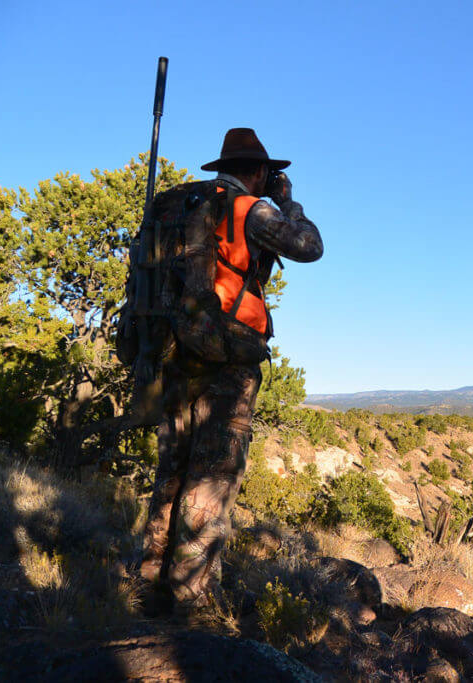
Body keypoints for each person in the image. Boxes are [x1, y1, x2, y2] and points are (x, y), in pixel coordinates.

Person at [139, 128, 323, 605]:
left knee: (172, 472)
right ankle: (191, 598)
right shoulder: (248, 209)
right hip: (229, 355)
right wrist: (289, 202)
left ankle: (147, 581)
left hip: (173, 351)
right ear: (259, 170)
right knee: (212, 478)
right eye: (269, 174)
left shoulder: (181, 205)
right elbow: (309, 246)